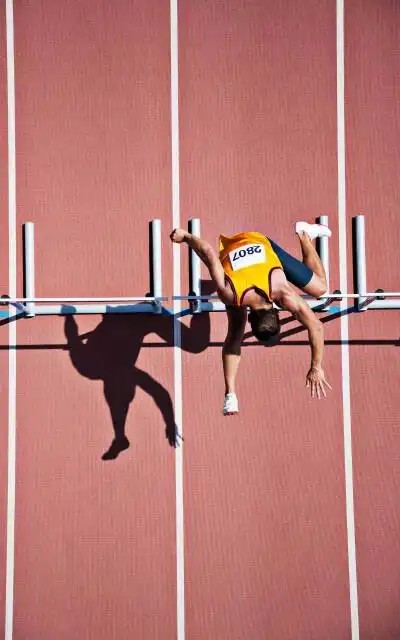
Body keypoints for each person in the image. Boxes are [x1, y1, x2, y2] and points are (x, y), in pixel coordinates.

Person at [170, 221, 333, 414]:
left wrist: (317, 366)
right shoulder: (231, 294)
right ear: (251, 319)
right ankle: (230, 395)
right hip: (246, 247)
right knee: (235, 329)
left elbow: (316, 326)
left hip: (257, 243)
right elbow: (207, 252)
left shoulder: (283, 293)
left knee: (321, 289)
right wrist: (185, 237)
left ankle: (305, 235)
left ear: (277, 311)